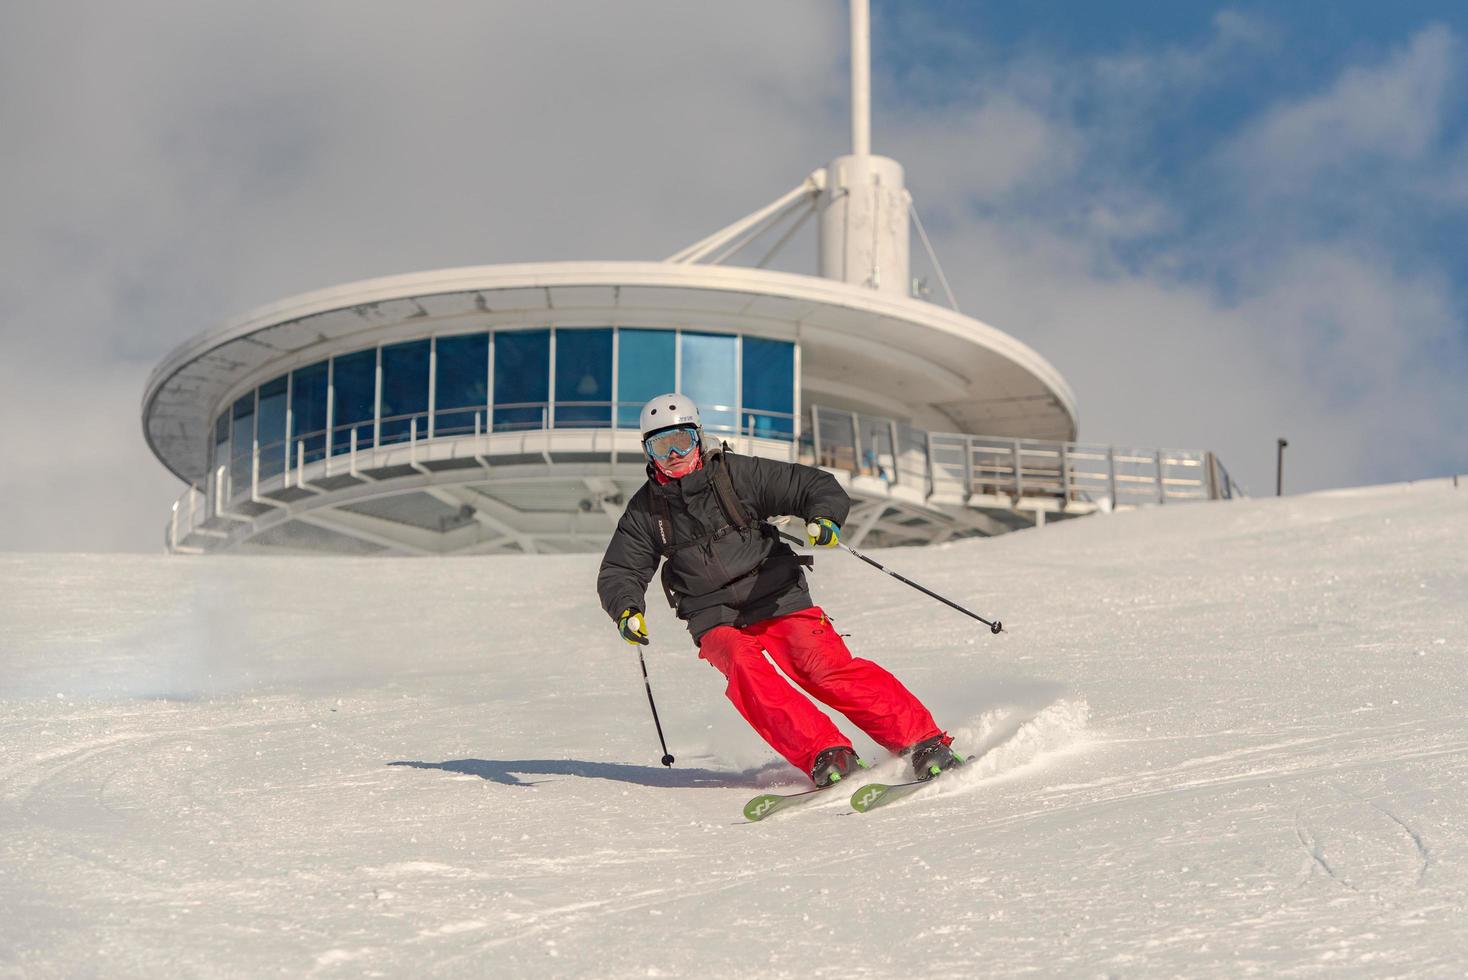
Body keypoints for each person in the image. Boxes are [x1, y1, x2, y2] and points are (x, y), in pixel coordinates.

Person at [597, 393, 961, 787]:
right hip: (712, 614)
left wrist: (823, 518)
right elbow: (620, 568)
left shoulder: (737, 475)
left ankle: (922, 742)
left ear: (698, 437)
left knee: (820, 667)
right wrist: (626, 608)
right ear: (647, 452)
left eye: (681, 441)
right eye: (660, 446)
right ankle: (826, 752)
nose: (673, 455)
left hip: (774, 591)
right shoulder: (645, 511)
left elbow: (812, 485)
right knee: (744, 669)